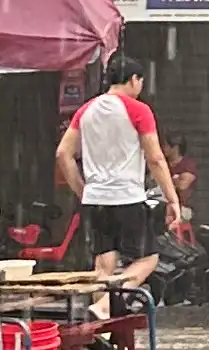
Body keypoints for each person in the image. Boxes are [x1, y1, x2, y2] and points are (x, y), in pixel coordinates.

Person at [56, 61, 179, 282]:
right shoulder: (138, 109)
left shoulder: (86, 110)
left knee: (104, 263)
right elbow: (156, 159)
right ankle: (109, 299)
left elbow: (63, 154)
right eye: (141, 81)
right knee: (148, 258)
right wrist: (172, 199)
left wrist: (83, 191)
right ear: (133, 79)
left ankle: (102, 310)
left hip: (96, 201)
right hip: (127, 198)